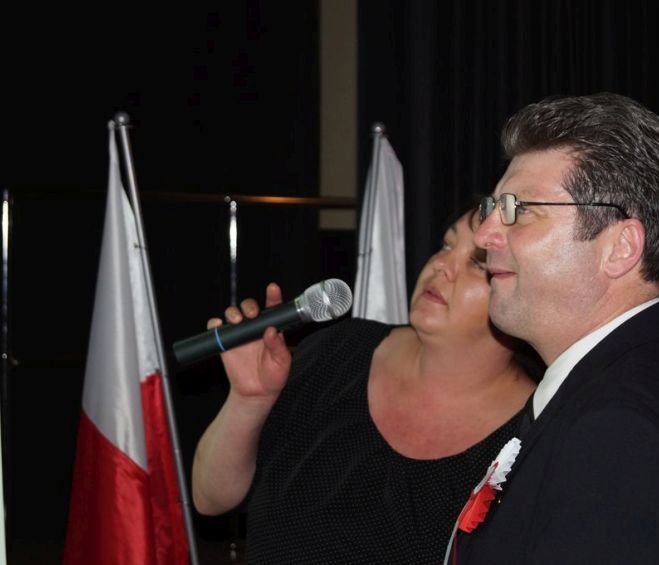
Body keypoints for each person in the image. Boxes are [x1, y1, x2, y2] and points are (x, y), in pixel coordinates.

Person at [447, 93, 659, 564]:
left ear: (621, 248)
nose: (486, 232)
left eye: (520, 209)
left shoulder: (621, 434)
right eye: (494, 206)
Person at [191, 208, 541, 564]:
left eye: (478, 263)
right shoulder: (338, 350)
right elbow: (210, 499)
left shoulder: (536, 432)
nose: (441, 265)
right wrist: (249, 399)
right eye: (446, 245)